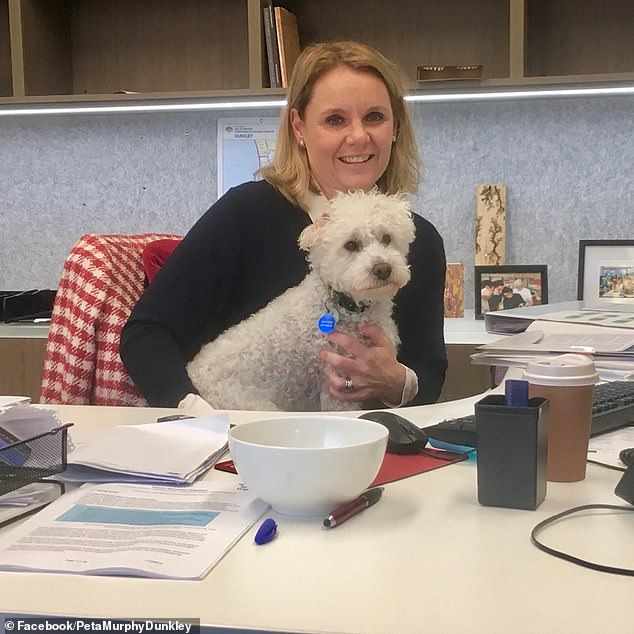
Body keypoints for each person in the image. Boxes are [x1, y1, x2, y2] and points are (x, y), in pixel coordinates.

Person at [120, 40, 448, 414]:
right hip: (237, 442)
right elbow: (146, 334)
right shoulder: (245, 214)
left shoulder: (418, 241)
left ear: (395, 126)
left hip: (359, 447)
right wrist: (198, 413)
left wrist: (396, 382)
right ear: (299, 128)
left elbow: (430, 374)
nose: (358, 137)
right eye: (335, 120)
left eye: (374, 116)